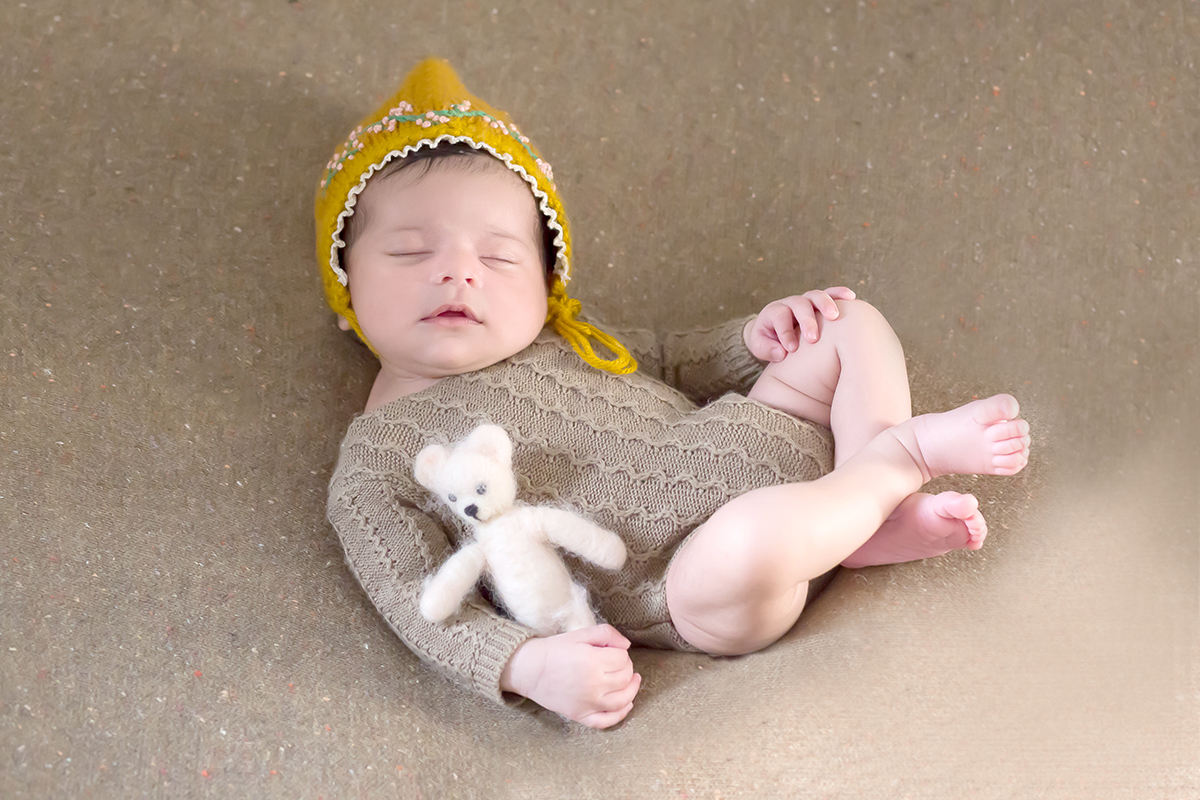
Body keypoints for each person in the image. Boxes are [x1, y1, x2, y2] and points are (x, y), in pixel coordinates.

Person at [317, 58, 1031, 730]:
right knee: (751, 543)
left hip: (759, 433)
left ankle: (871, 508)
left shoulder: (566, 340)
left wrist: (755, 341)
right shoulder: (381, 458)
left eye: (499, 256)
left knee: (848, 322)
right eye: (412, 251)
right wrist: (524, 665)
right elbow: (419, 601)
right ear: (345, 277)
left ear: (546, 285)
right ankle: (899, 461)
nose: (459, 274)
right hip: (695, 578)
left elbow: (668, 361)